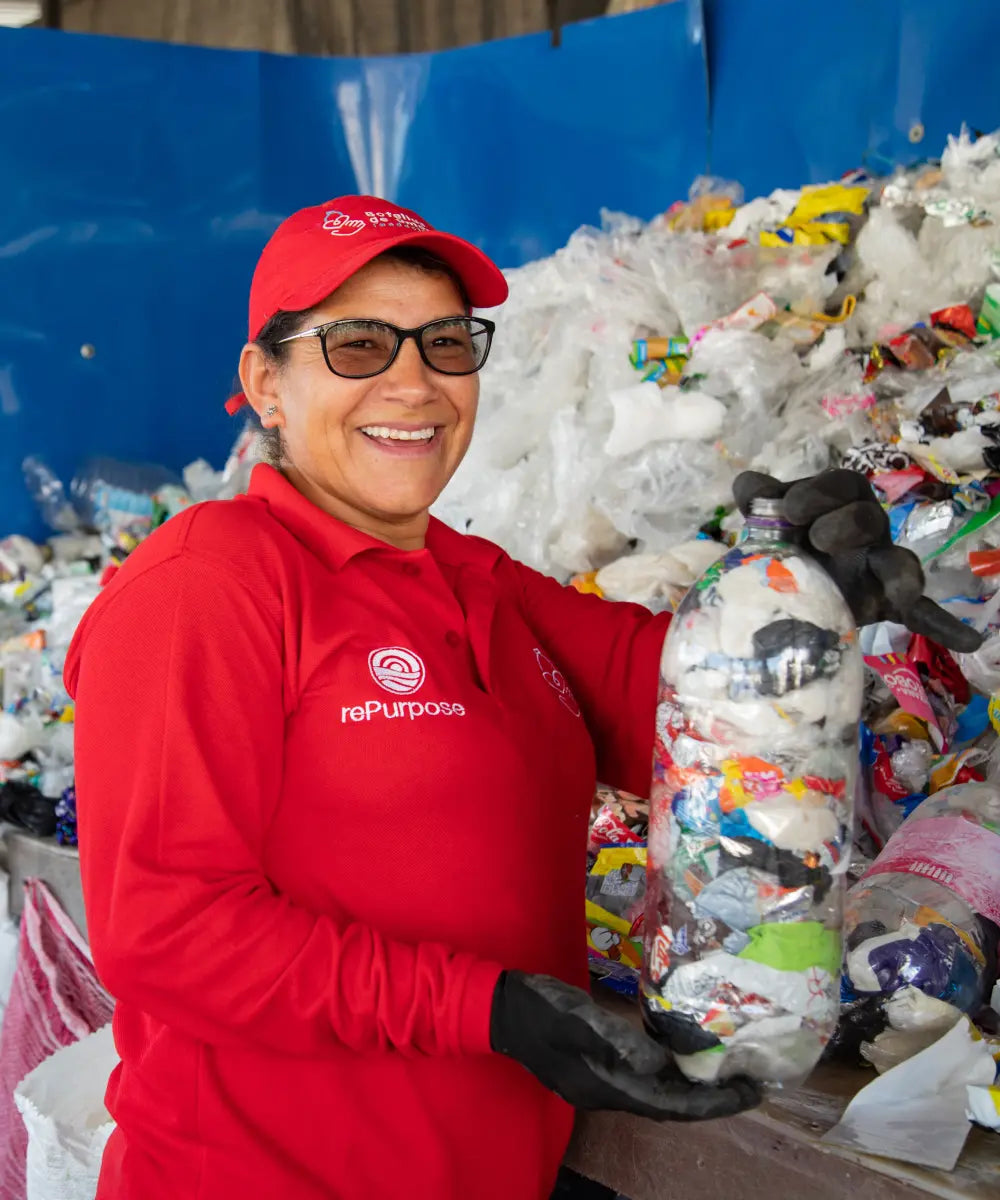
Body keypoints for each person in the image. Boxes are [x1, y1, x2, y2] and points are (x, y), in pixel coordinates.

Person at [65, 195, 980, 1200]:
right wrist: (484, 1009)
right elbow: (167, 930)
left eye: (446, 343)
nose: (414, 382)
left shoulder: (480, 581)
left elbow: (691, 708)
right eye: (359, 345)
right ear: (265, 383)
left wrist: (797, 600)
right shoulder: (207, 584)